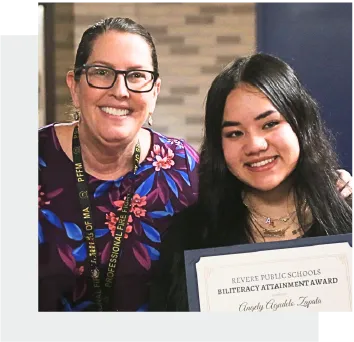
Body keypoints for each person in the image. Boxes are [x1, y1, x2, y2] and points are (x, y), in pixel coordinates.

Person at [38, 17, 353, 312]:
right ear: (74, 85)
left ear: (155, 91)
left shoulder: (181, 169)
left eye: (136, 76)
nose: (120, 90)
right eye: (101, 72)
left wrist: (335, 192)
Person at [148, 53, 354, 311]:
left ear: (300, 124)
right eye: (235, 133)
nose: (255, 145)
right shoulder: (190, 236)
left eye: (269, 124)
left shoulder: (347, 216)